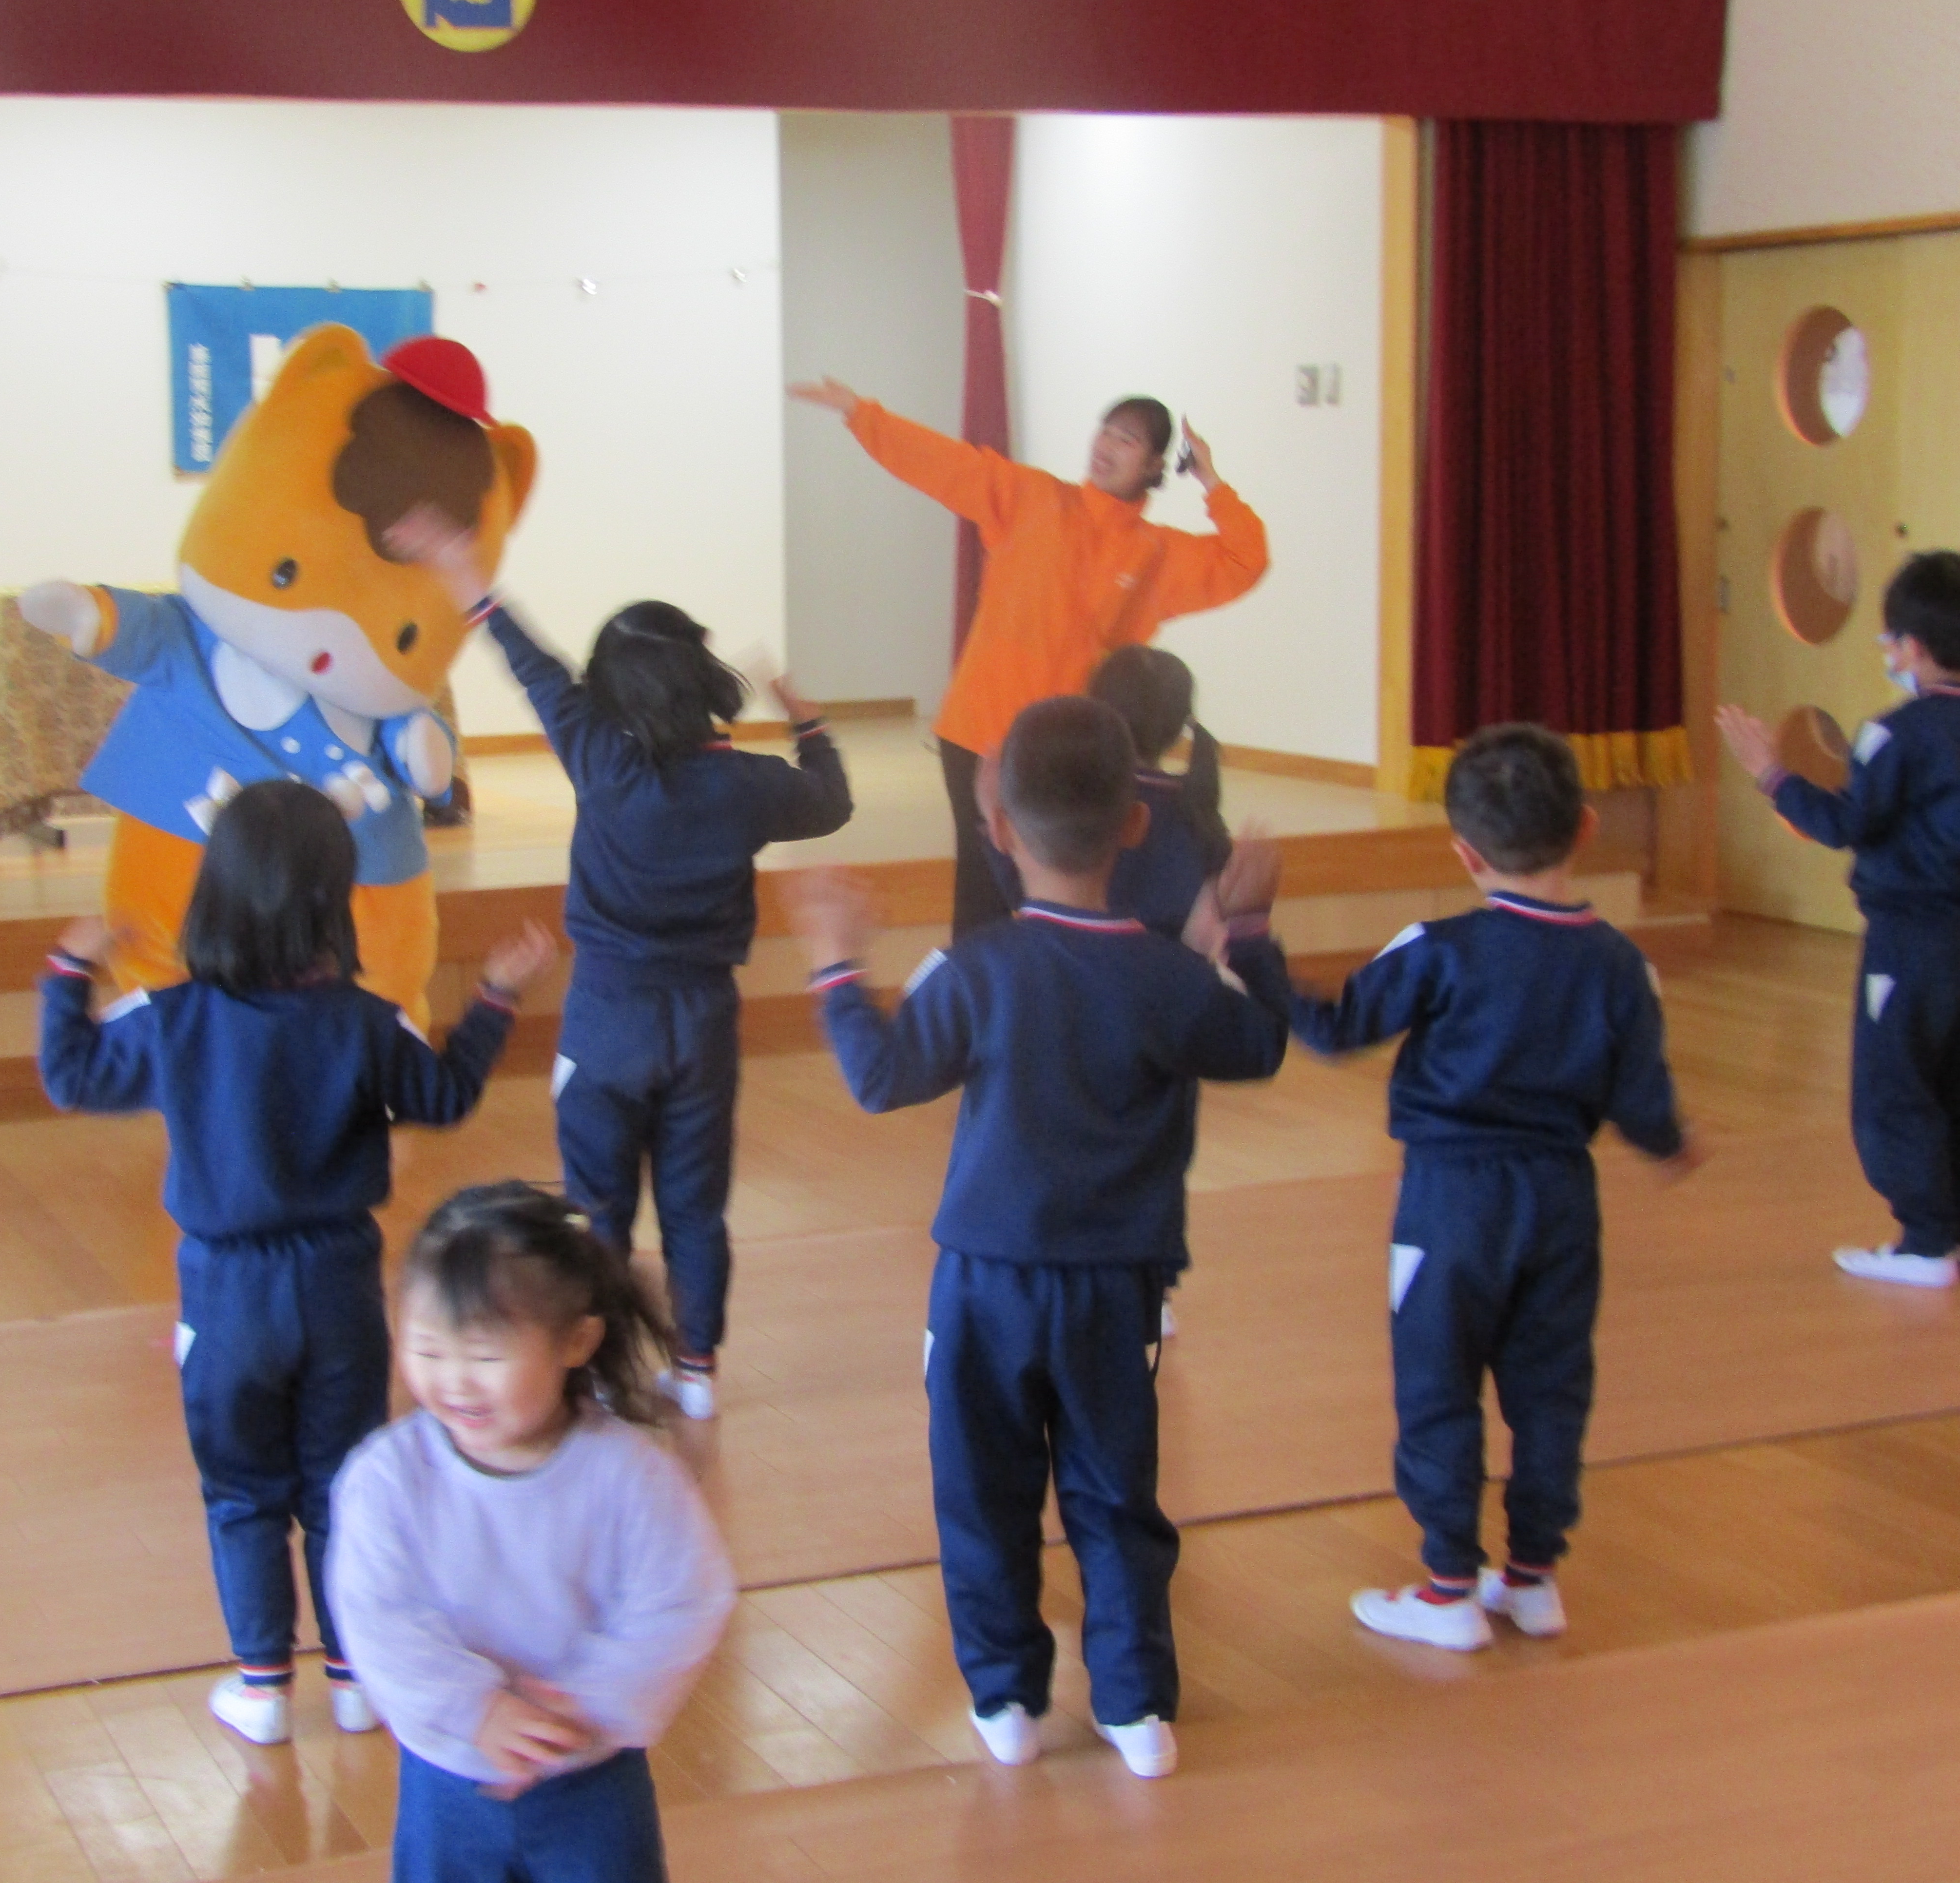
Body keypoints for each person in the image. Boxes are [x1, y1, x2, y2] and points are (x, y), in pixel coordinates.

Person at [788, 695, 1288, 1777]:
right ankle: (1136, 1706)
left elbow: (879, 1076)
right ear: (1135, 824)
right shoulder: (1170, 978)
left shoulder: (977, 968)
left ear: (1001, 829)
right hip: (1116, 1289)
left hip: (985, 1286)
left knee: (983, 1492)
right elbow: (1258, 1043)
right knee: (1115, 1495)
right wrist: (1244, 929)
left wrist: (836, 965)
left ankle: (1006, 1695)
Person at [39, 777, 555, 1745]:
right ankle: (357, 1676)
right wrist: (493, 998)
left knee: (242, 1491)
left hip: (226, 1291)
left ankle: (263, 1686)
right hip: (339, 1285)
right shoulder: (366, 1017)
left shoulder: (171, 1016)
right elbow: (445, 1095)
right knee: (342, 1486)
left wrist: (68, 972)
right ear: (335, 899)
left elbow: (70, 1075)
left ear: (214, 892)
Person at [1226, 724, 1698, 1651]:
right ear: (1586, 827)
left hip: (1450, 1205)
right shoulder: (1620, 963)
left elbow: (1333, 1029)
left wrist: (1251, 944)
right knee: (1551, 1387)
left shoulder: (1438, 948)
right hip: (1563, 1202)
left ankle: (1448, 1586)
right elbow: (1645, 1104)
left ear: (1465, 853)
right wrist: (1674, 1144)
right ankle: (1532, 1576)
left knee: (1437, 1384)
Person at [387, 508, 854, 1421]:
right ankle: (697, 1368)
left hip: (605, 1020)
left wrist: (464, 571)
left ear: (611, 692)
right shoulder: (749, 786)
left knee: (598, 1209)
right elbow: (832, 801)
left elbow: (531, 665)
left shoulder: (600, 759)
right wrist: (807, 718)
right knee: (695, 1207)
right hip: (703, 1025)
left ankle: (599, 1371)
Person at [328, 1182, 736, 1883]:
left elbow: (684, 1600)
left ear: (576, 1341)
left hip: (590, 1776)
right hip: (450, 1778)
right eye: (428, 1350)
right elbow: (377, 1618)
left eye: (485, 1357)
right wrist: (475, 1709)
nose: (456, 1382)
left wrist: (588, 1702)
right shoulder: (388, 1479)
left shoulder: (629, 1475)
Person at [789, 376, 1266, 937]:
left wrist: (1210, 479)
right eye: (1106, 431)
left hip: (1068, 749)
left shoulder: (1157, 553)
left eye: (1128, 440)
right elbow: (944, 465)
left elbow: (1246, 559)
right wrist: (861, 413)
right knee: (984, 892)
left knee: (1068, 892)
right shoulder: (1034, 498)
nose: (1107, 446)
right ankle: (977, 989)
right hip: (981, 733)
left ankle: (1045, 983)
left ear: (1155, 464)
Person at [1718, 550, 1960, 1289]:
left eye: (1891, 642)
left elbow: (1846, 822)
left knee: (1897, 1084)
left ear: (1911, 647)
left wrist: (1771, 774)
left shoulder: (1898, 733)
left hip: (1913, 942)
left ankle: (1926, 1241)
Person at [978, 644, 1232, 941]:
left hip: (1072, 958)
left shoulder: (1081, 797)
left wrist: (991, 812)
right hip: (1169, 965)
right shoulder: (1197, 806)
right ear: (1179, 730)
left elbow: (1032, 890)